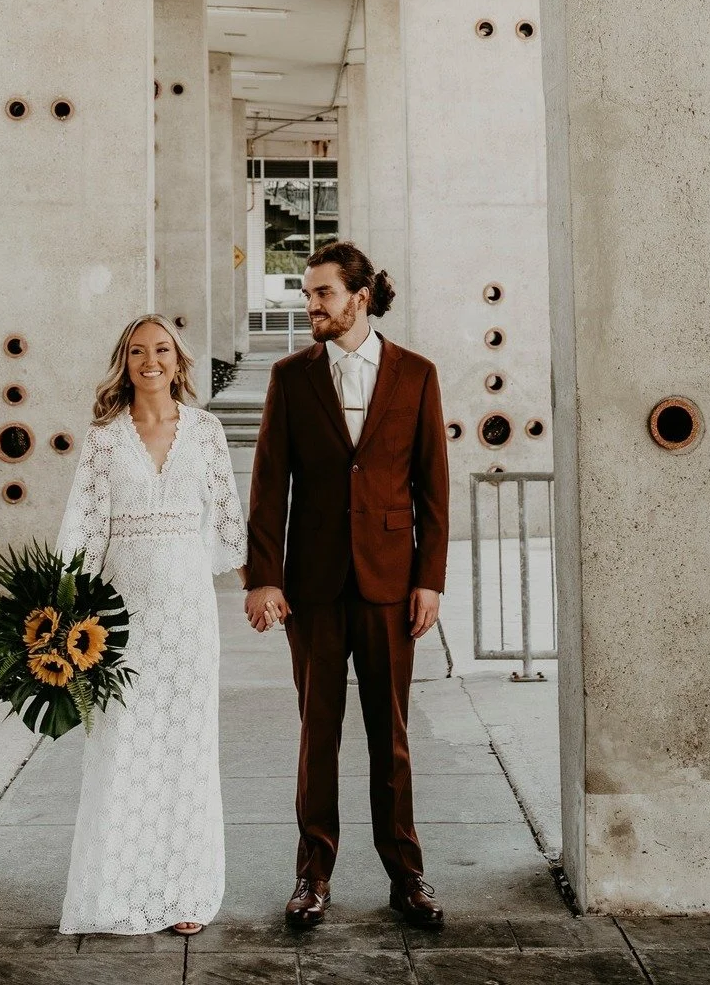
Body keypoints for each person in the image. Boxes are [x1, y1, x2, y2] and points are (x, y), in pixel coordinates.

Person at [245, 242, 450, 930]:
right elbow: (269, 483)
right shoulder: (290, 376)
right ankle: (312, 873)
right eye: (306, 296)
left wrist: (430, 580)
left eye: (321, 295)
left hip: (391, 583)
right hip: (313, 584)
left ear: (359, 297)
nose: (310, 307)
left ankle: (407, 872)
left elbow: (433, 489)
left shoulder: (416, 374)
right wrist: (262, 577)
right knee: (317, 733)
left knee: (389, 735)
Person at [55, 314, 248, 937]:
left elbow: (226, 522)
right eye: (138, 351)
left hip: (189, 614)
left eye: (161, 349)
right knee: (124, 747)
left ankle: (186, 892)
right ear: (124, 361)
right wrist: (64, 611)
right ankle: (118, 890)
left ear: (178, 359)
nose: (150, 361)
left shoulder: (208, 432)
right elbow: (84, 528)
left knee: (186, 747)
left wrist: (261, 590)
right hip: (120, 615)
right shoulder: (104, 438)